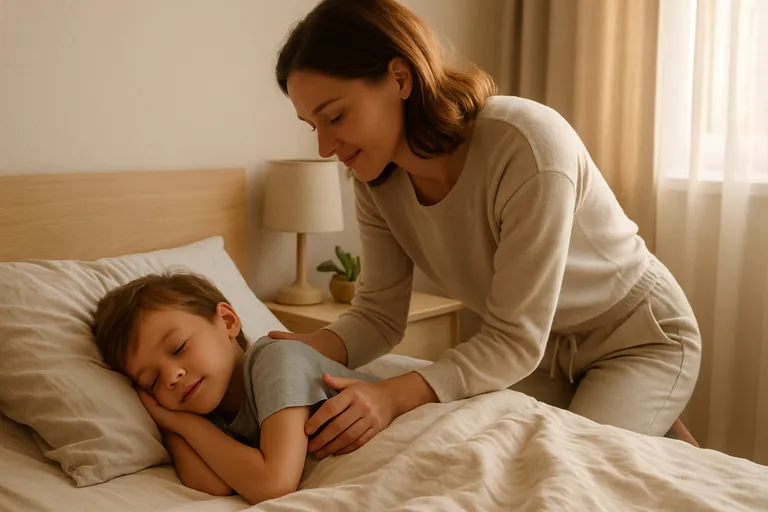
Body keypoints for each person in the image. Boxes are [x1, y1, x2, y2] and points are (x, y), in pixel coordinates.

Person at [269, 0, 702, 459]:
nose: (323, 147)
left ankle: (656, 422)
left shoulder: (527, 146)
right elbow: (379, 315)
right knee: (474, 454)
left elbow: (513, 338)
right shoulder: (375, 179)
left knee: (568, 469)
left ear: (399, 78)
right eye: (312, 125)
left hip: (635, 339)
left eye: (334, 117)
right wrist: (307, 349)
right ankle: (664, 440)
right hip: (540, 352)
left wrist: (392, 395)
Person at [91, 272, 377, 505]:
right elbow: (211, 484)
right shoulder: (209, 412)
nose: (171, 376)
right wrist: (176, 425)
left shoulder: (277, 359)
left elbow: (273, 484)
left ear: (227, 321)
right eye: (152, 381)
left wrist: (182, 423)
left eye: (178, 347)